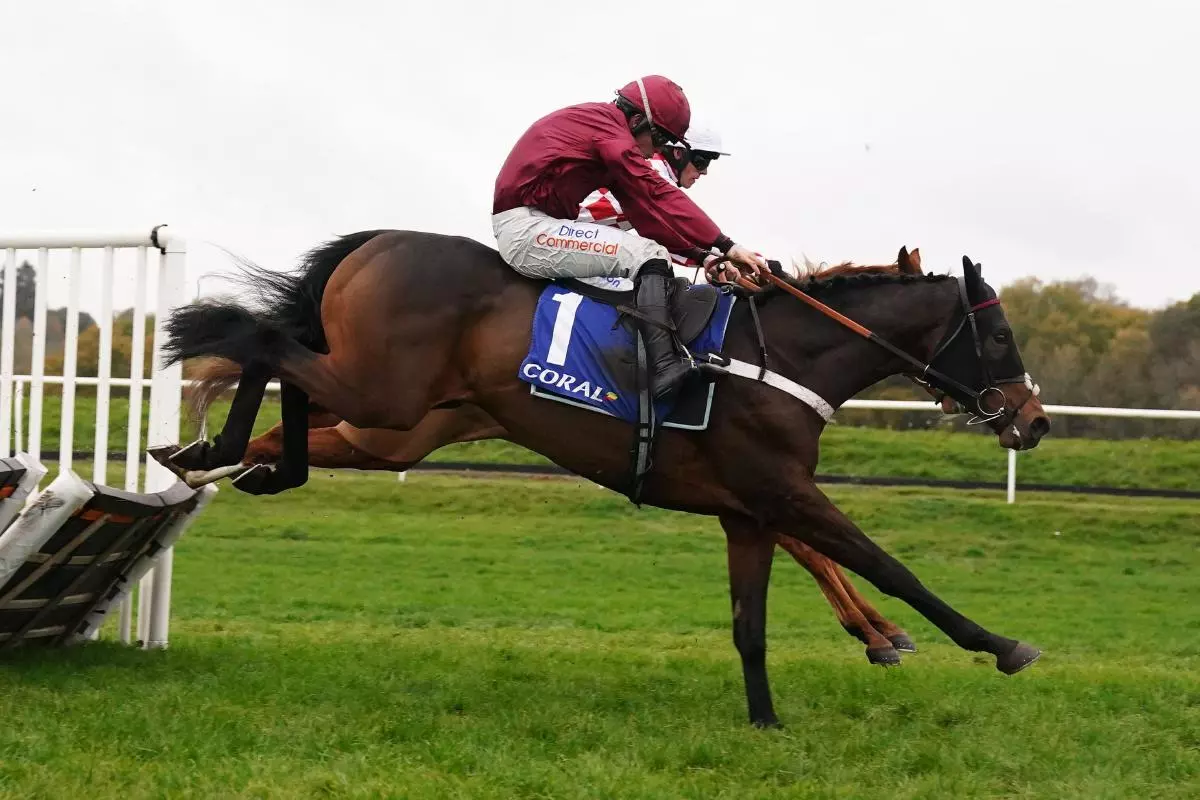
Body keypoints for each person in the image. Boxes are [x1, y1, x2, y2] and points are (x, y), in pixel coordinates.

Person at [492, 76, 767, 403]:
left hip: (541, 225)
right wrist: (726, 244)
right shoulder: (607, 129)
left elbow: (646, 215)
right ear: (637, 120)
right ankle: (663, 366)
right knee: (649, 257)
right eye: (661, 139)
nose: (659, 150)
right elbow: (655, 193)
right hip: (527, 230)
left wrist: (706, 256)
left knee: (648, 256)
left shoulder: (607, 135)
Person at [575, 122, 731, 284]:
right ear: (678, 154)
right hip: (565, 231)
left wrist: (716, 257)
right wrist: (730, 252)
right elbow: (677, 230)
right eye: (701, 162)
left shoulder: (654, 169)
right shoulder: (655, 173)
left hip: (580, 235)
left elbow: (665, 237)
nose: (704, 171)